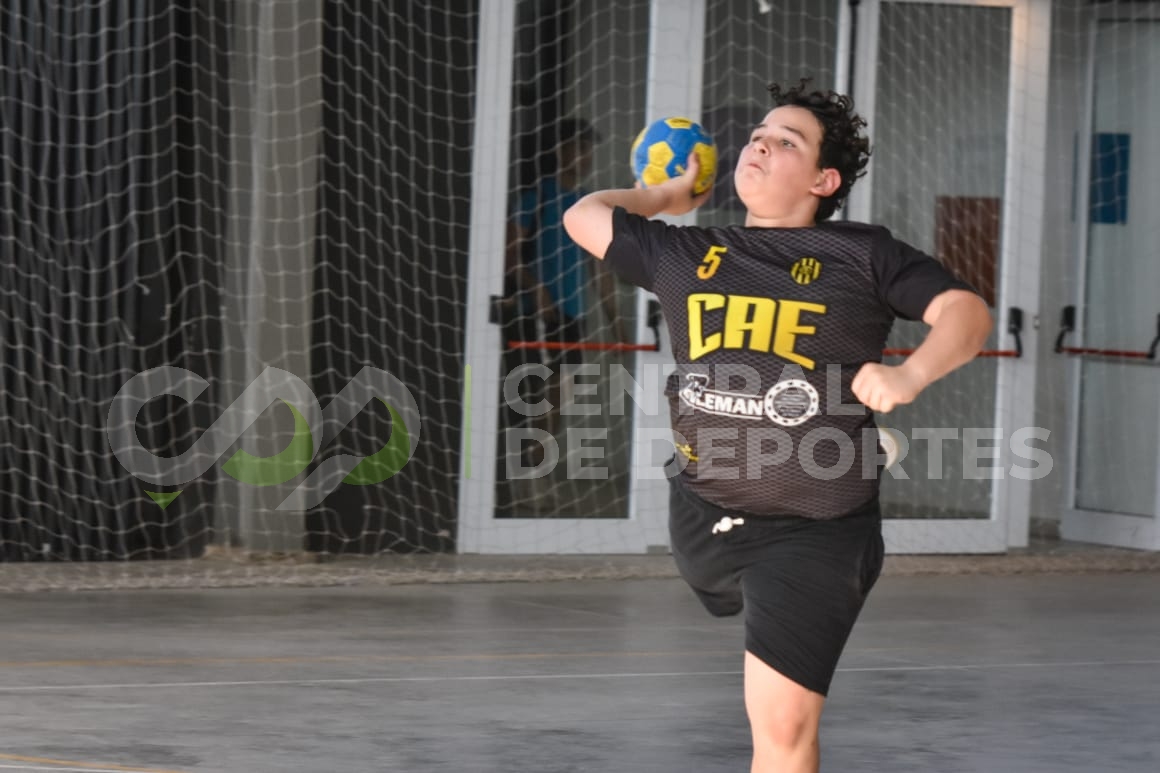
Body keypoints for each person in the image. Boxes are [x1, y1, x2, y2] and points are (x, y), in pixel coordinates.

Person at [562, 79, 992, 773]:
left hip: (814, 529)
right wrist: (666, 196)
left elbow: (966, 313)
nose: (758, 145)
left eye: (785, 141)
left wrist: (910, 375)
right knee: (723, 581)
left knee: (784, 726)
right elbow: (585, 215)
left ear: (824, 180)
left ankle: (852, 445)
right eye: (758, 136)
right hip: (703, 511)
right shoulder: (686, 250)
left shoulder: (864, 254)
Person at [503, 117, 625, 466]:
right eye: (578, 147)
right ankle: (525, 472)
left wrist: (616, 323)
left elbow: (599, 268)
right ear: (560, 150)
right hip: (540, 313)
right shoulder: (537, 196)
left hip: (573, 316)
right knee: (536, 394)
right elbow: (508, 255)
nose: (585, 156)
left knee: (561, 395)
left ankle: (537, 470)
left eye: (589, 149)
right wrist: (537, 290)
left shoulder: (587, 205)